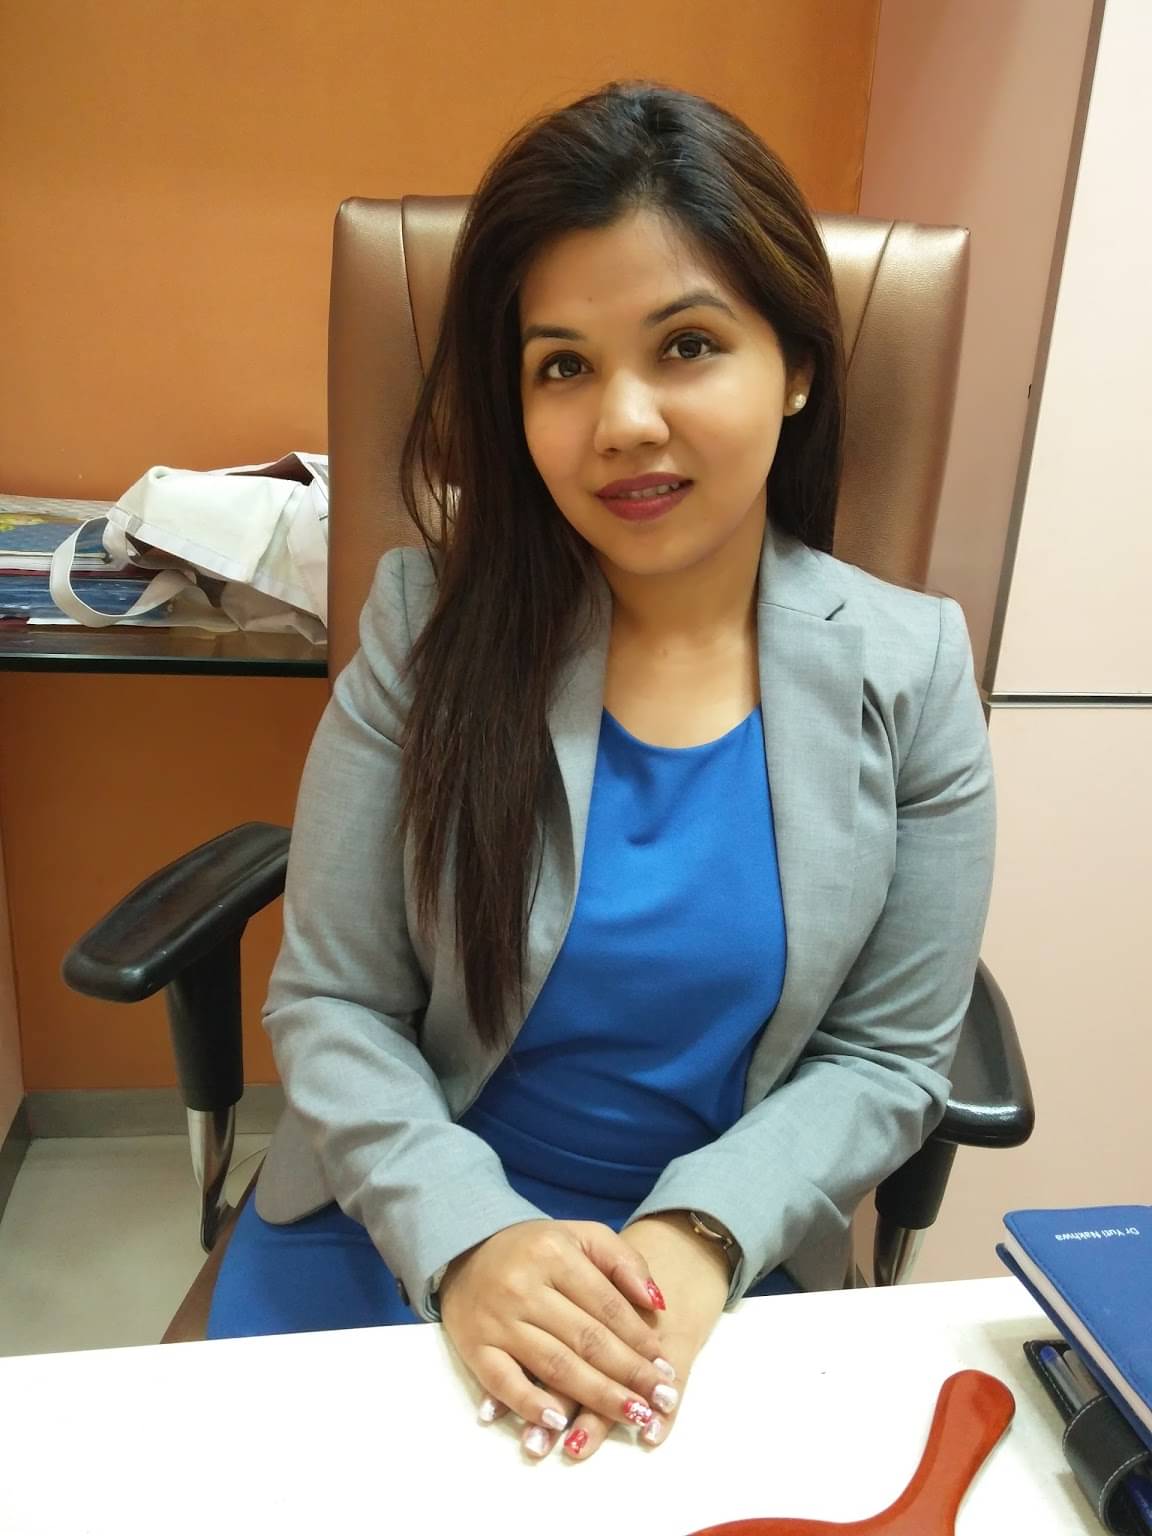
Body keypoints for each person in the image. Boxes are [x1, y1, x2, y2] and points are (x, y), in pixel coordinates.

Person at [207, 80, 996, 1466]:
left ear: (797, 366)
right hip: (396, 1225)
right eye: (562, 367)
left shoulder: (914, 671)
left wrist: (699, 1234)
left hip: (717, 1268)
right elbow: (333, 1002)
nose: (623, 421)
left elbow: (886, 1057)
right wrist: (473, 1237)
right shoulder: (424, 627)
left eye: (687, 345)